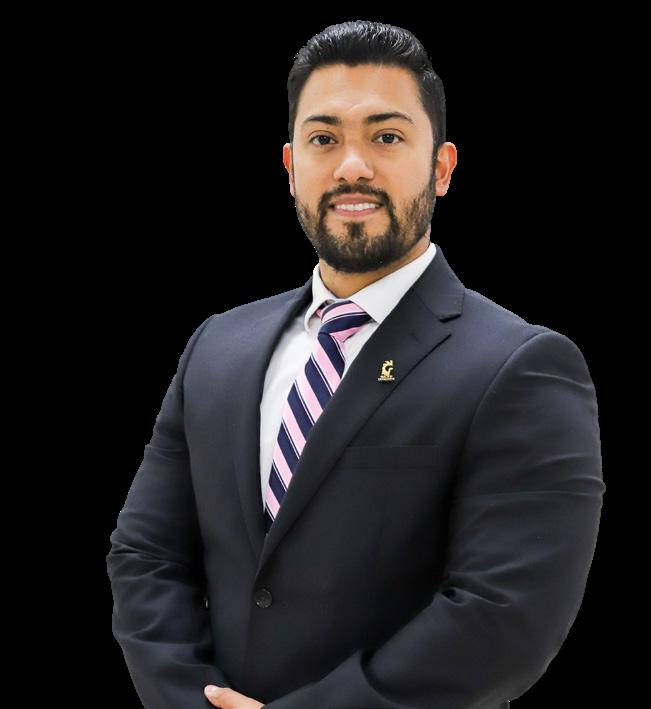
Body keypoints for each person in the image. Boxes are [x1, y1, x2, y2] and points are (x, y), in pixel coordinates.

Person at [106, 20, 605, 709]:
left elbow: (504, 613)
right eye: (324, 139)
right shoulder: (216, 347)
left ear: (442, 167)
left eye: (386, 137)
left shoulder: (522, 367)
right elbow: (146, 555)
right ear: (290, 167)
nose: (351, 167)